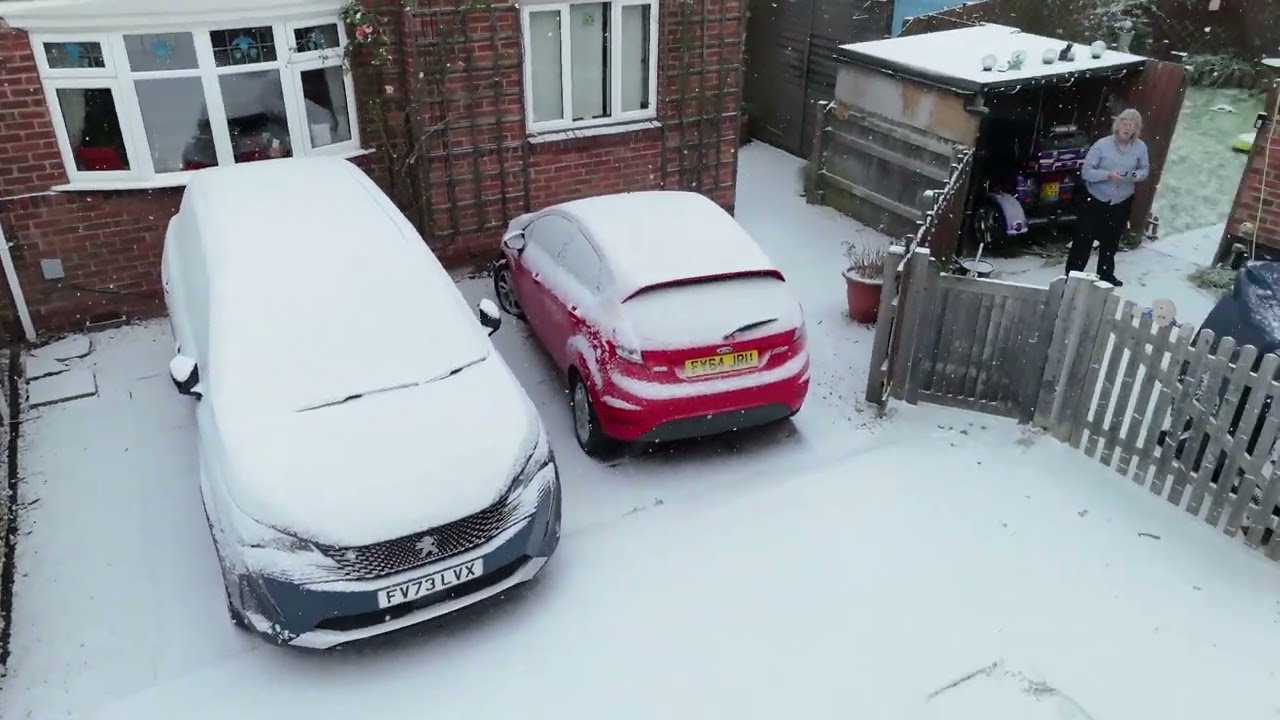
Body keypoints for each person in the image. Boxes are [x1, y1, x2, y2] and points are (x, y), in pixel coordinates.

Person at [1066, 108, 1150, 287]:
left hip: (1121, 201)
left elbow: (1145, 170)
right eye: (1124, 123)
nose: (1127, 128)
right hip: (1095, 199)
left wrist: (1135, 175)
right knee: (1084, 239)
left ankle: (1105, 275)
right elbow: (1086, 172)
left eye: (1132, 125)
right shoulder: (1101, 145)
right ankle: (1073, 275)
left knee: (1111, 241)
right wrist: (1107, 175)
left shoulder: (1141, 148)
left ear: (1136, 129)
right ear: (1117, 125)